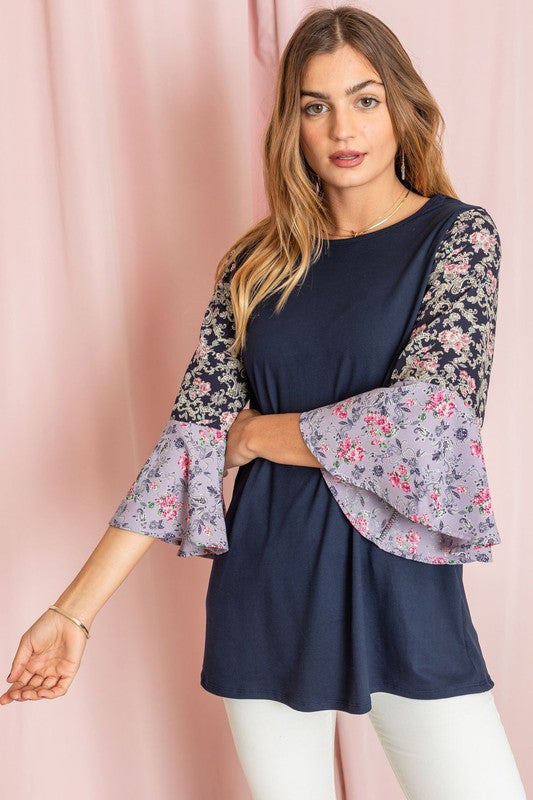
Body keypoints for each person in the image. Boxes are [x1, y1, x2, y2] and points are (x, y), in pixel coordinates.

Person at [1, 5, 526, 799]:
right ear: (291, 124)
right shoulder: (255, 264)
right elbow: (188, 447)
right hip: (268, 584)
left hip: (403, 589)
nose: (341, 128)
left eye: (364, 98)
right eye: (315, 106)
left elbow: (425, 428)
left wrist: (254, 434)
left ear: (401, 108)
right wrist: (72, 614)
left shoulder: (455, 239)